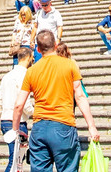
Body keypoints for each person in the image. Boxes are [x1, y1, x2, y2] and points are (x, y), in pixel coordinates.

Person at [11, 30, 99, 172]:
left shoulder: (31, 71)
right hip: (64, 125)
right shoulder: (70, 65)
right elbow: (80, 96)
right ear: (56, 44)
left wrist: (15, 130)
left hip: (39, 128)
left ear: (38, 49)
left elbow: (18, 105)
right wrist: (91, 126)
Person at [0, 49, 34, 172]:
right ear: (28, 58)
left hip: (5, 120)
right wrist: (36, 112)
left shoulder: (7, 76)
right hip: (18, 121)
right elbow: (24, 103)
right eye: (32, 58)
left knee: (16, 159)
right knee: (16, 160)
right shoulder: (25, 75)